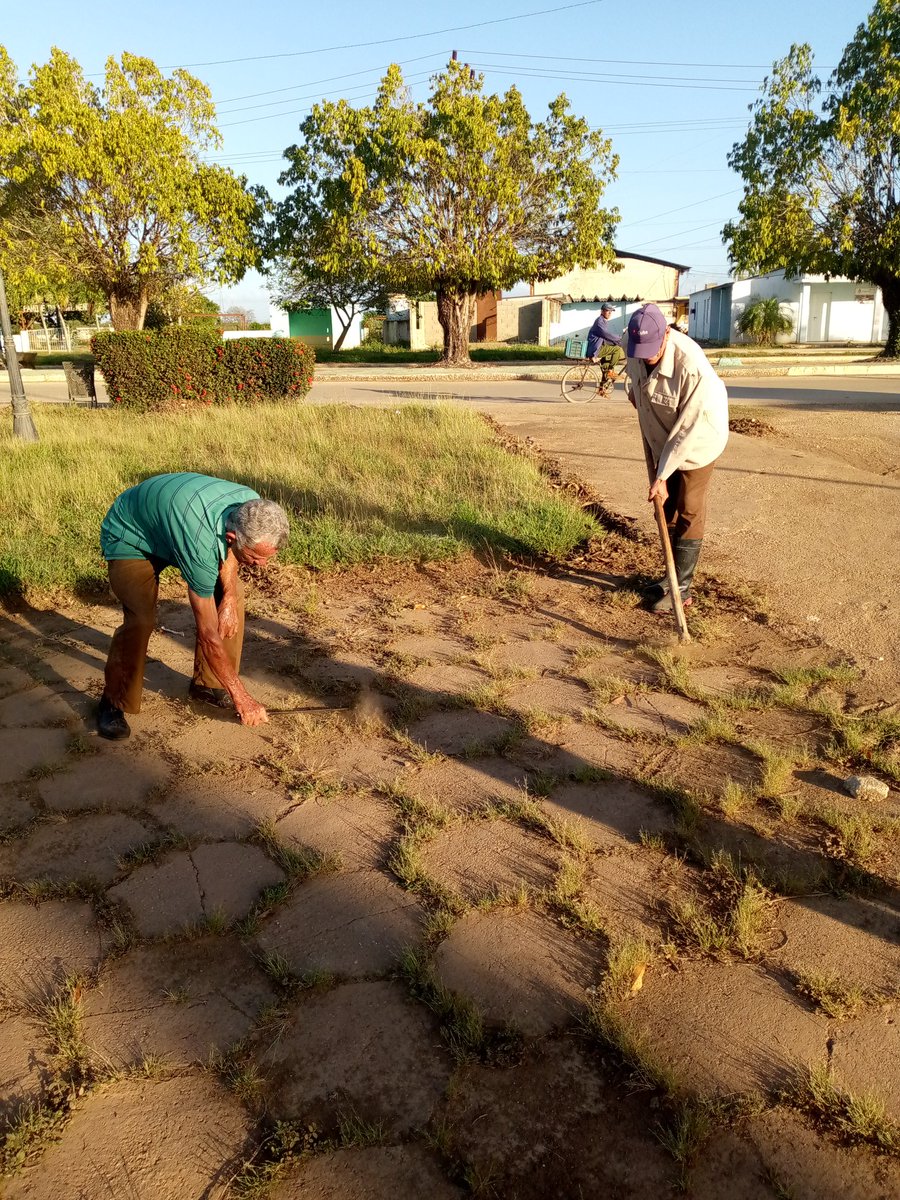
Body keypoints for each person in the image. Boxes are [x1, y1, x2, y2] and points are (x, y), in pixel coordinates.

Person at [97, 472, 290, 740]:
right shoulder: (200, 545)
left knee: (230, 597)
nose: (262, 565)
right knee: (140, 619)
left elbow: (229, 555)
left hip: (175, 525)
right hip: (132, 533)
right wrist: (242, 697)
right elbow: (208, 634)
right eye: (256, 557)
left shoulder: (250, 505)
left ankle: (209, 685)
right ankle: (113, 702)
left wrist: (230, 599)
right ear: (234, 537)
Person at [623, 303, 729, 612]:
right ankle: (669, 577)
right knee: (664, 507)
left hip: (698, 439)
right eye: (640, 351)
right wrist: (636, 395)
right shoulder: (635, 345)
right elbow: (633, 377)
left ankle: (682, 589)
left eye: (652, 351)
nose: (646, 356)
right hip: (661, 433)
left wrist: (663, 475)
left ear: (667, 333)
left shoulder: (691, 367)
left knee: (688, 508)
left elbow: (686, 431)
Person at [585, 303, 625, 376]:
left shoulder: (602, 320)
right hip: (595, 349)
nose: (610, 313)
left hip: (598, 346)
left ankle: (602, 386)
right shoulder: (600, 321)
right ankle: (610, 370)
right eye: (607, 311)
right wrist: (619, 338)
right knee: (617, 349)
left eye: (611, 311)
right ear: (602, 311)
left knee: (605, 365)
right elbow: (606, 334)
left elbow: (605, 337)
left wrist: (616, 342)